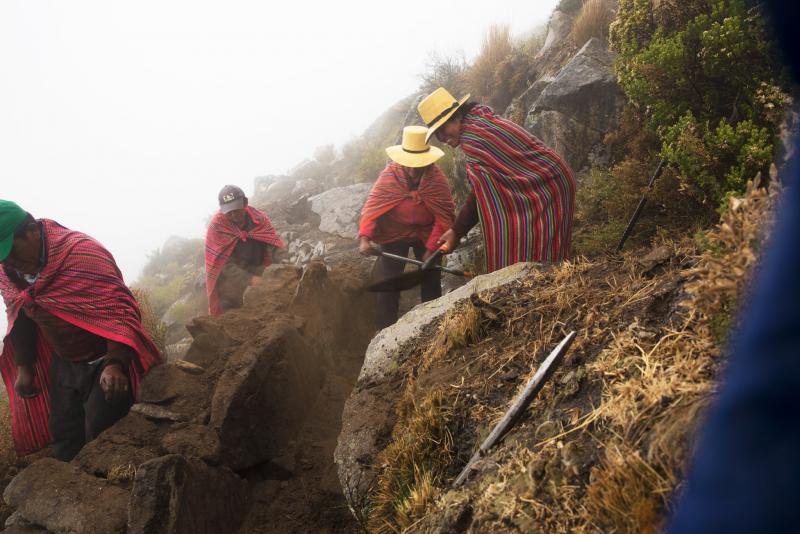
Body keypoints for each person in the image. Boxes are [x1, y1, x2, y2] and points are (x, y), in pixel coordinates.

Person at [0, 200, 162, 461]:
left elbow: (118, 310)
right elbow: (20, 317)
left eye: (12, 251)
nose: (9, 262)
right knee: (64, 437)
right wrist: (25, 366)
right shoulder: (9, 272)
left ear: (31, 230)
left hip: (104, 361)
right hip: (64, 363)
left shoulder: (81, 254)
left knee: (102, 435)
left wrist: (115, 363)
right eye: (2, 256)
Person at [418, 87, 576, 272]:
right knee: (538, 253)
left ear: (457, 116)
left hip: (545, 185)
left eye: (443, 129)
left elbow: (483, 194)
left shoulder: (473, 139)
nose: (443, 138)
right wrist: (456, 231)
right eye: (437, 134)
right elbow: (483, 189)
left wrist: (456, 231)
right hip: (552, 178)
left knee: (531, 250)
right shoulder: (480, 120)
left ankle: (549, 283)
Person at [359, 125, 455, 329]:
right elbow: (372, 207)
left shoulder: (437, 180)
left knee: (430, 277)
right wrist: (365, 239)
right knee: (390, 280)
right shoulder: (390, 176)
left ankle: (433, 327)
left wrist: (431, 249)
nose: (412, 171)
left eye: (418, 165)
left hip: (428, 232)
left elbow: (444, 217)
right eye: (408, 164)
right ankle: (384, 328)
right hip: (395, 232)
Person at [205, 185, 284, 315]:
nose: (234, 215)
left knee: (278, 285)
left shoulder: (259, 219)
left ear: (245, 202)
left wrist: (284, 261)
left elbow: (274, 246)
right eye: (229, 212)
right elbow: (223, 266)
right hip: (230, 280)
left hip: (256, 267)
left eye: (237, 209)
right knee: (229, 307)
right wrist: (250, 280)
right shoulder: (217, 227)